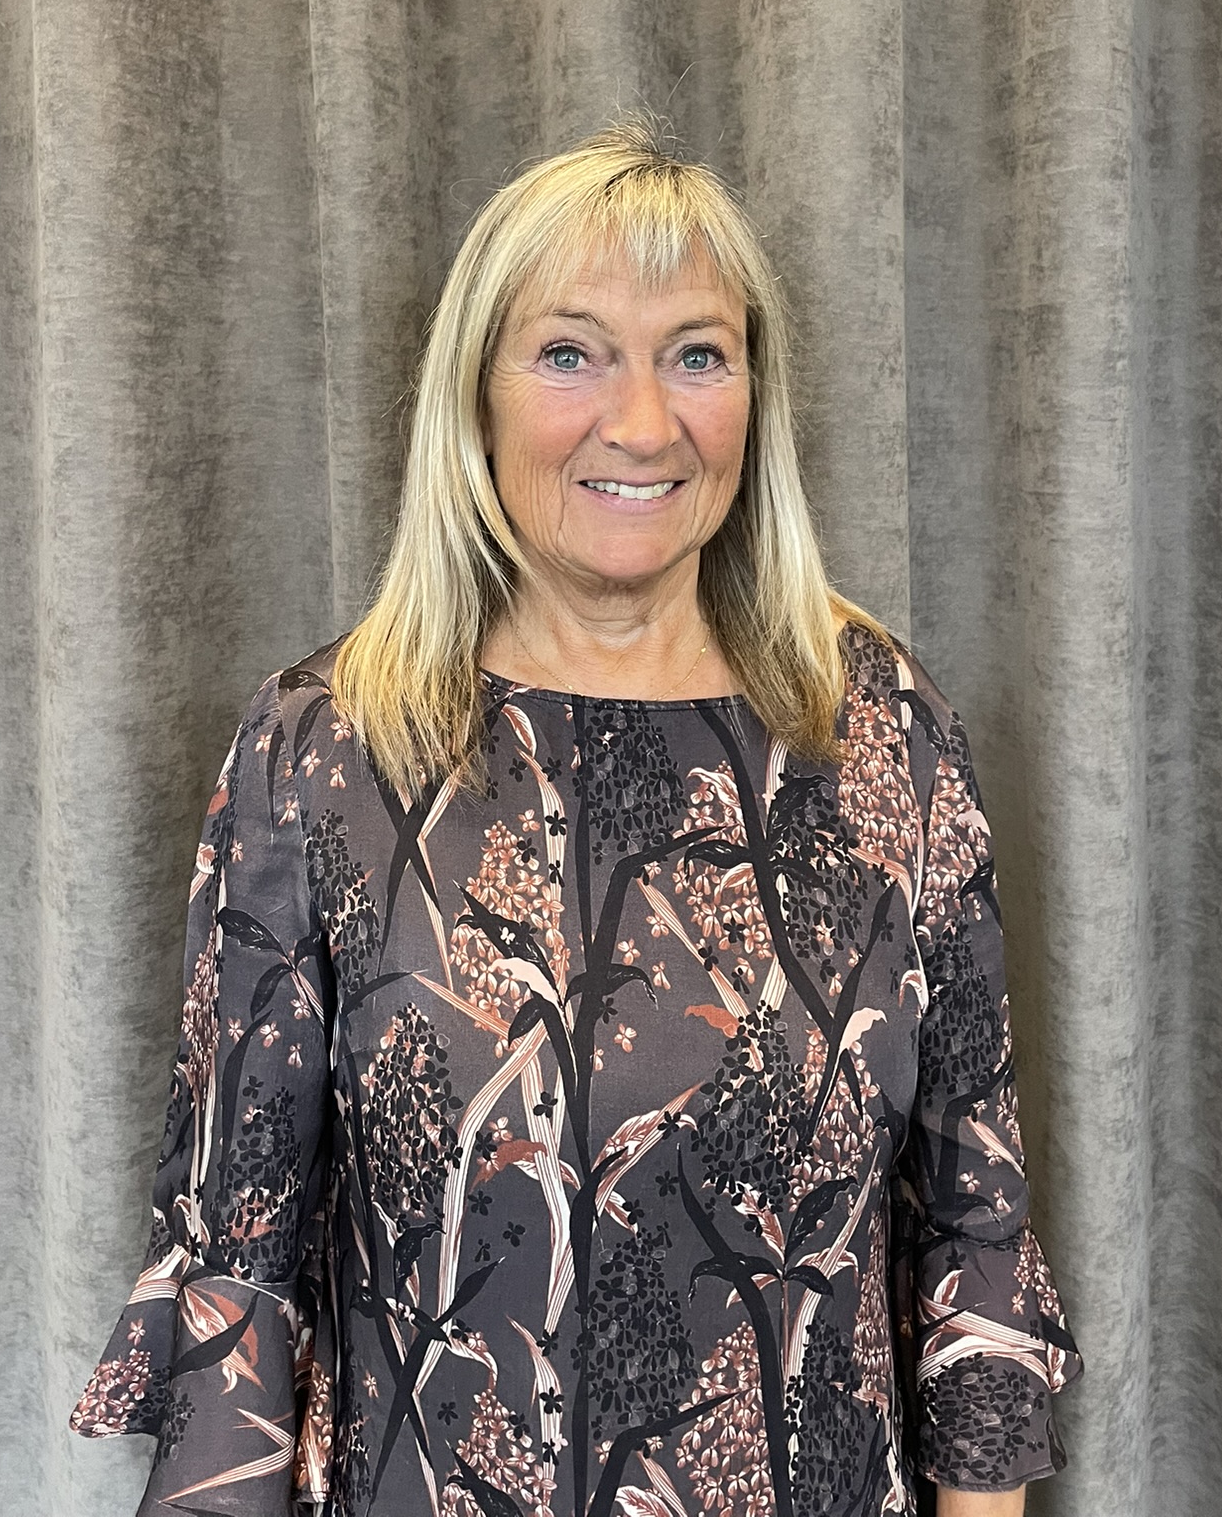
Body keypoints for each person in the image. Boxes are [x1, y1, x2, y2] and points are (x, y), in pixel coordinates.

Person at [72, 118, 1082, 1517]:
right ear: (473, 398)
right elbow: (235, 1279)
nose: (645, 423)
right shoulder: (326, 751)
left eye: (697, 355)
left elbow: (975, 1233)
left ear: (757, 397)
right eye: (570, 353)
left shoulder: (880, 736)